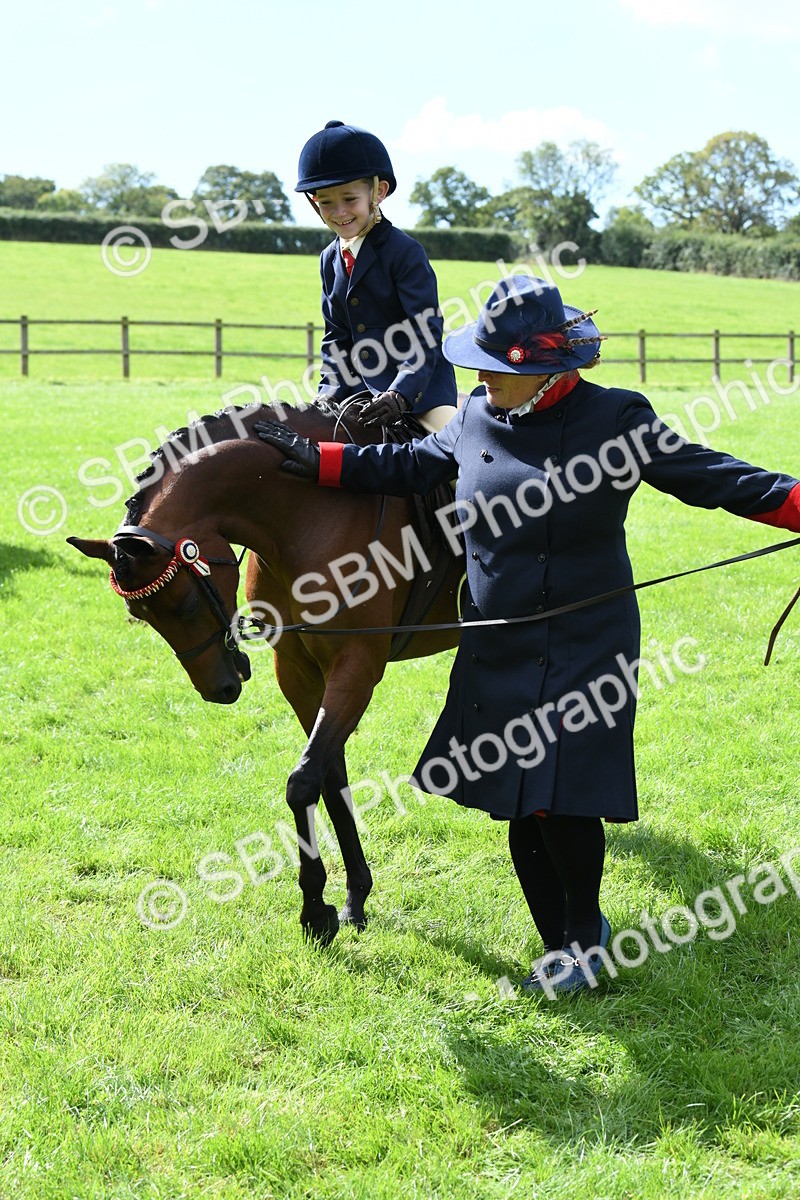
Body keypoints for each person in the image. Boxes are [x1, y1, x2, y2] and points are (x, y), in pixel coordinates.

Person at [254, 275, 800, 994]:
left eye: (498, 369)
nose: (481, 379)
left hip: (586, 638)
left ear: (546, 373)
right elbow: (414, 463)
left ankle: (581, 942)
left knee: (562, 797)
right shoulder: (477, 414)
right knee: (518, 796)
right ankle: (563, 938)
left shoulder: (616, 420)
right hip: (498, 638)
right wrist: (319, 461)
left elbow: (711, 476)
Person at [296, 119, 457, 432]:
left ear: (379, 191)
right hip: (355, 396)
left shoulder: (404, 251)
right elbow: (336, 338)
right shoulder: (329, 260)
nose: (339, 212)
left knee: (458, 455)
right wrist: (328, 393)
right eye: (326, 203)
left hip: (420, 396)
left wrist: (400, 393)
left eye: (349, 199)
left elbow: (425, 334)